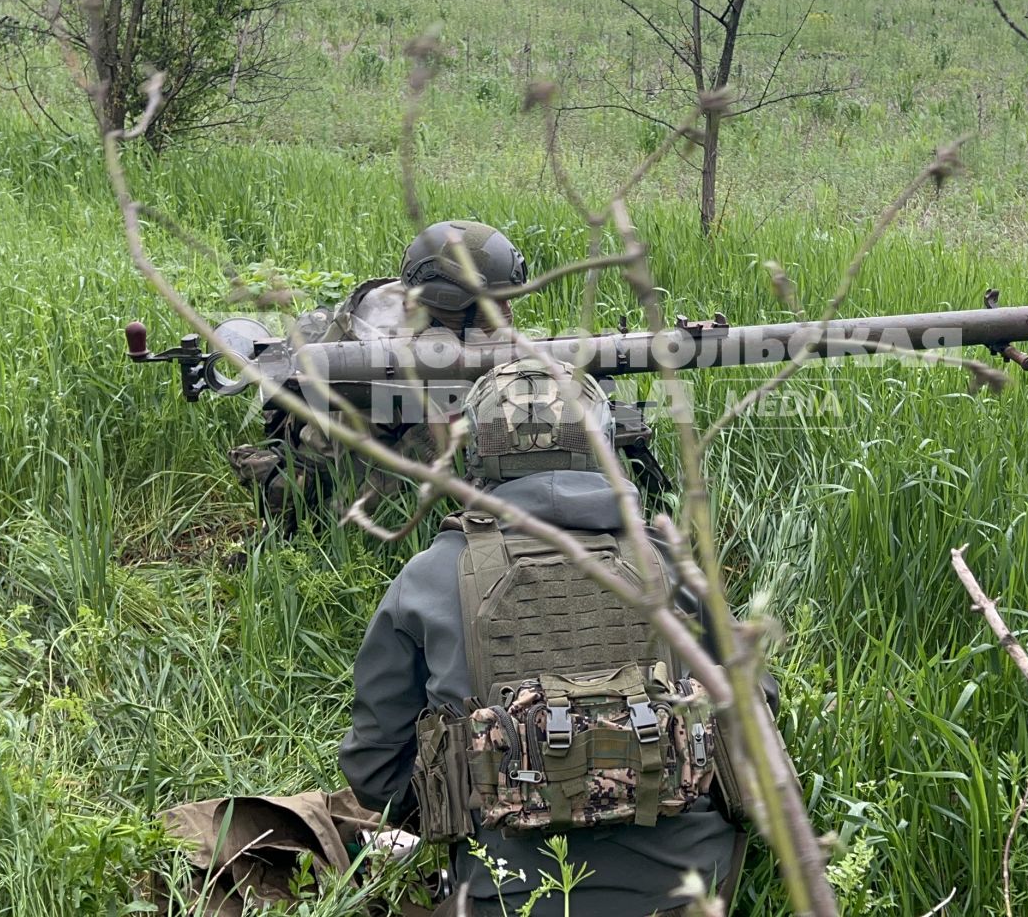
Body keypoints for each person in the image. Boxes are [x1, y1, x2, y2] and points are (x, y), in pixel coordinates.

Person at [339, 358, 743, 916]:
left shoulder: (431, 575)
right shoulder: (667, 562)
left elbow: (375, 770)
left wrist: (472, 795)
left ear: (477, 454)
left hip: (504, 897)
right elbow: (754, 707)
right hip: (696, 889)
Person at [227, 220, 532, 521]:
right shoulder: (376, 367)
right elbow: (362, 504)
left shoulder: (443, 322)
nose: (507, 314)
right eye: (494, 304)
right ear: (447, 302)